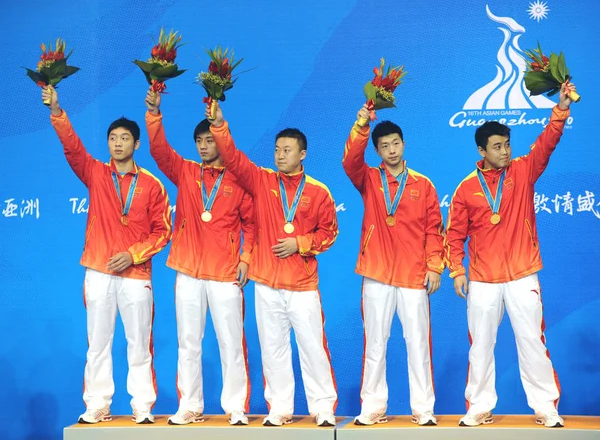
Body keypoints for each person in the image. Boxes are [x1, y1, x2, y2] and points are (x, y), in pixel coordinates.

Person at [445, 82, 577, 428]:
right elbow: (454, 235)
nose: (505, 151)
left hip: (522, 273)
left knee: (533, 341)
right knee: (481, 346)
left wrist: (560, 109)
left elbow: (547, 144)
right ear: (481, 150)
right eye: (498, 147)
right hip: (484, 279)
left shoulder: (523, 170)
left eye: (507, 145)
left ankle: (546, 406)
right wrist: (457, 271)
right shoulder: (466, 188)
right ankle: (478, 406)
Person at [42, 85, 172, 424]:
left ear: (136, 144)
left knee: (139, 344)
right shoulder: (96, 173)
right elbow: (72, 148)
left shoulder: (152, 185)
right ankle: (97, 403)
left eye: (125, 137)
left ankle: (142, 405)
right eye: (113, 137)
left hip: (136, 275)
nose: (118, 142)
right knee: (98, 343)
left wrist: (133, 254)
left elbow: (163, 232)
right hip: (98, 271)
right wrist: (57, 111)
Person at [206, 101, 338, 427]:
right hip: (265, 282)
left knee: (312, 347)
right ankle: (280, 407)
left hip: (302, 285)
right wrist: (219, 124)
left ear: (302, 154)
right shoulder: (262, 181)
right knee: (273, 349)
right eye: (277, 149)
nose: (280, 155)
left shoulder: (319, 192)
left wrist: (300, 243)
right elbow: (234, 159)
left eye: (287, 150)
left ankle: (323, 407)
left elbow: (330, 233)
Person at [144, 89, 254, 425]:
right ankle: (190, 405)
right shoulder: (186, 172)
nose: (204, 146)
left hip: (224, 274)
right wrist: (153, 113)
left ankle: (236, 406)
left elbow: (253, 224)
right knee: (188, 342)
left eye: (210, 139)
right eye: (199, 141)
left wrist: (246, 257)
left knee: (231, 343)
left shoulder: (238, 180)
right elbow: (160, 152)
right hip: (188, 272)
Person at [342, 106, 445, 426]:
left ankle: (423, 409)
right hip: (376, 273)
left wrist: (435, 266)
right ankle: (373, 406)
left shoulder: (423, 184)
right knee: (375, 343)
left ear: (404, 144)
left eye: (396, 143)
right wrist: (360, 123)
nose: (391, 149)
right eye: (384, 145)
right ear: (377, 150)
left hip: (414, 274)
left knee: (418, 343)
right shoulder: (369, 179)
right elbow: (349, 161)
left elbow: (434, 228)